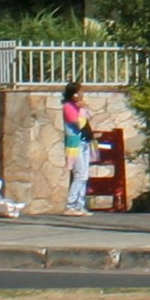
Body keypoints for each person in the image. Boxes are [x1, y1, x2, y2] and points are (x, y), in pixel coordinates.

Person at [61, 80, 92, 212]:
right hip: (75, 144)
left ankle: (80, 204)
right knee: (79, 175)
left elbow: (90, 117)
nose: (82, 94)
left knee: (84, 175)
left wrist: (84, 107)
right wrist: (81, 109)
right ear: (74, 94)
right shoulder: (68, 107)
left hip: (84, 141)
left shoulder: (78, 107)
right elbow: (79, 123)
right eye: (80, 91)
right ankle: (71, 205)